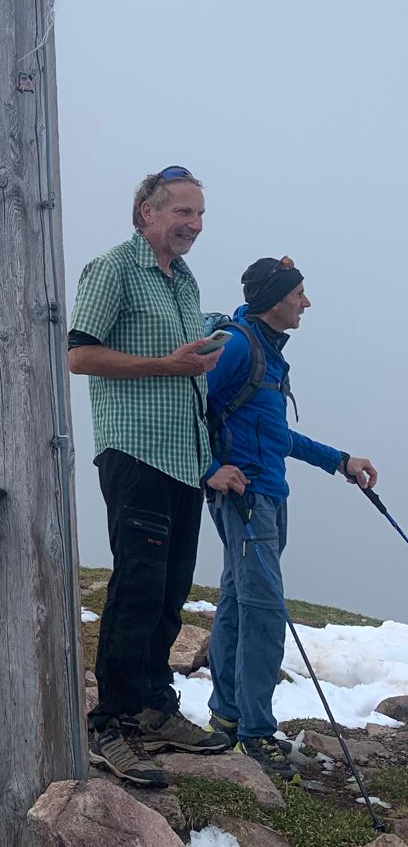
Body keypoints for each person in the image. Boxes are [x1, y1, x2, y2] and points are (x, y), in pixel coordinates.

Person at [67, 166, 232, 789]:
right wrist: (166, 363)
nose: (193, 226)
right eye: (182, 213)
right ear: (146, 214)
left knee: (169, 590)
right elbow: (78, 354)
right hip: (135, 451)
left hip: (183, 459)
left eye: (199, 216)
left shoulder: (183, 281)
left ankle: (154, 705)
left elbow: (187, 356)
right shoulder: (113, 269)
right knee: (138, 584)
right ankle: (110, 722)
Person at [204, 257, 377, 779]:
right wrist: (212, 470)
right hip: (247, 497)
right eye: (299, 293)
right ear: (274, 299)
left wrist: (339, 461)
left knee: (239, 599)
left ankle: (227, 718)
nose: (306, 302)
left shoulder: (268, 356)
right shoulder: (237, 346)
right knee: (262, 608)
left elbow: (278, 436)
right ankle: (255, 734)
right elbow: (189, 405)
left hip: (268, 496)